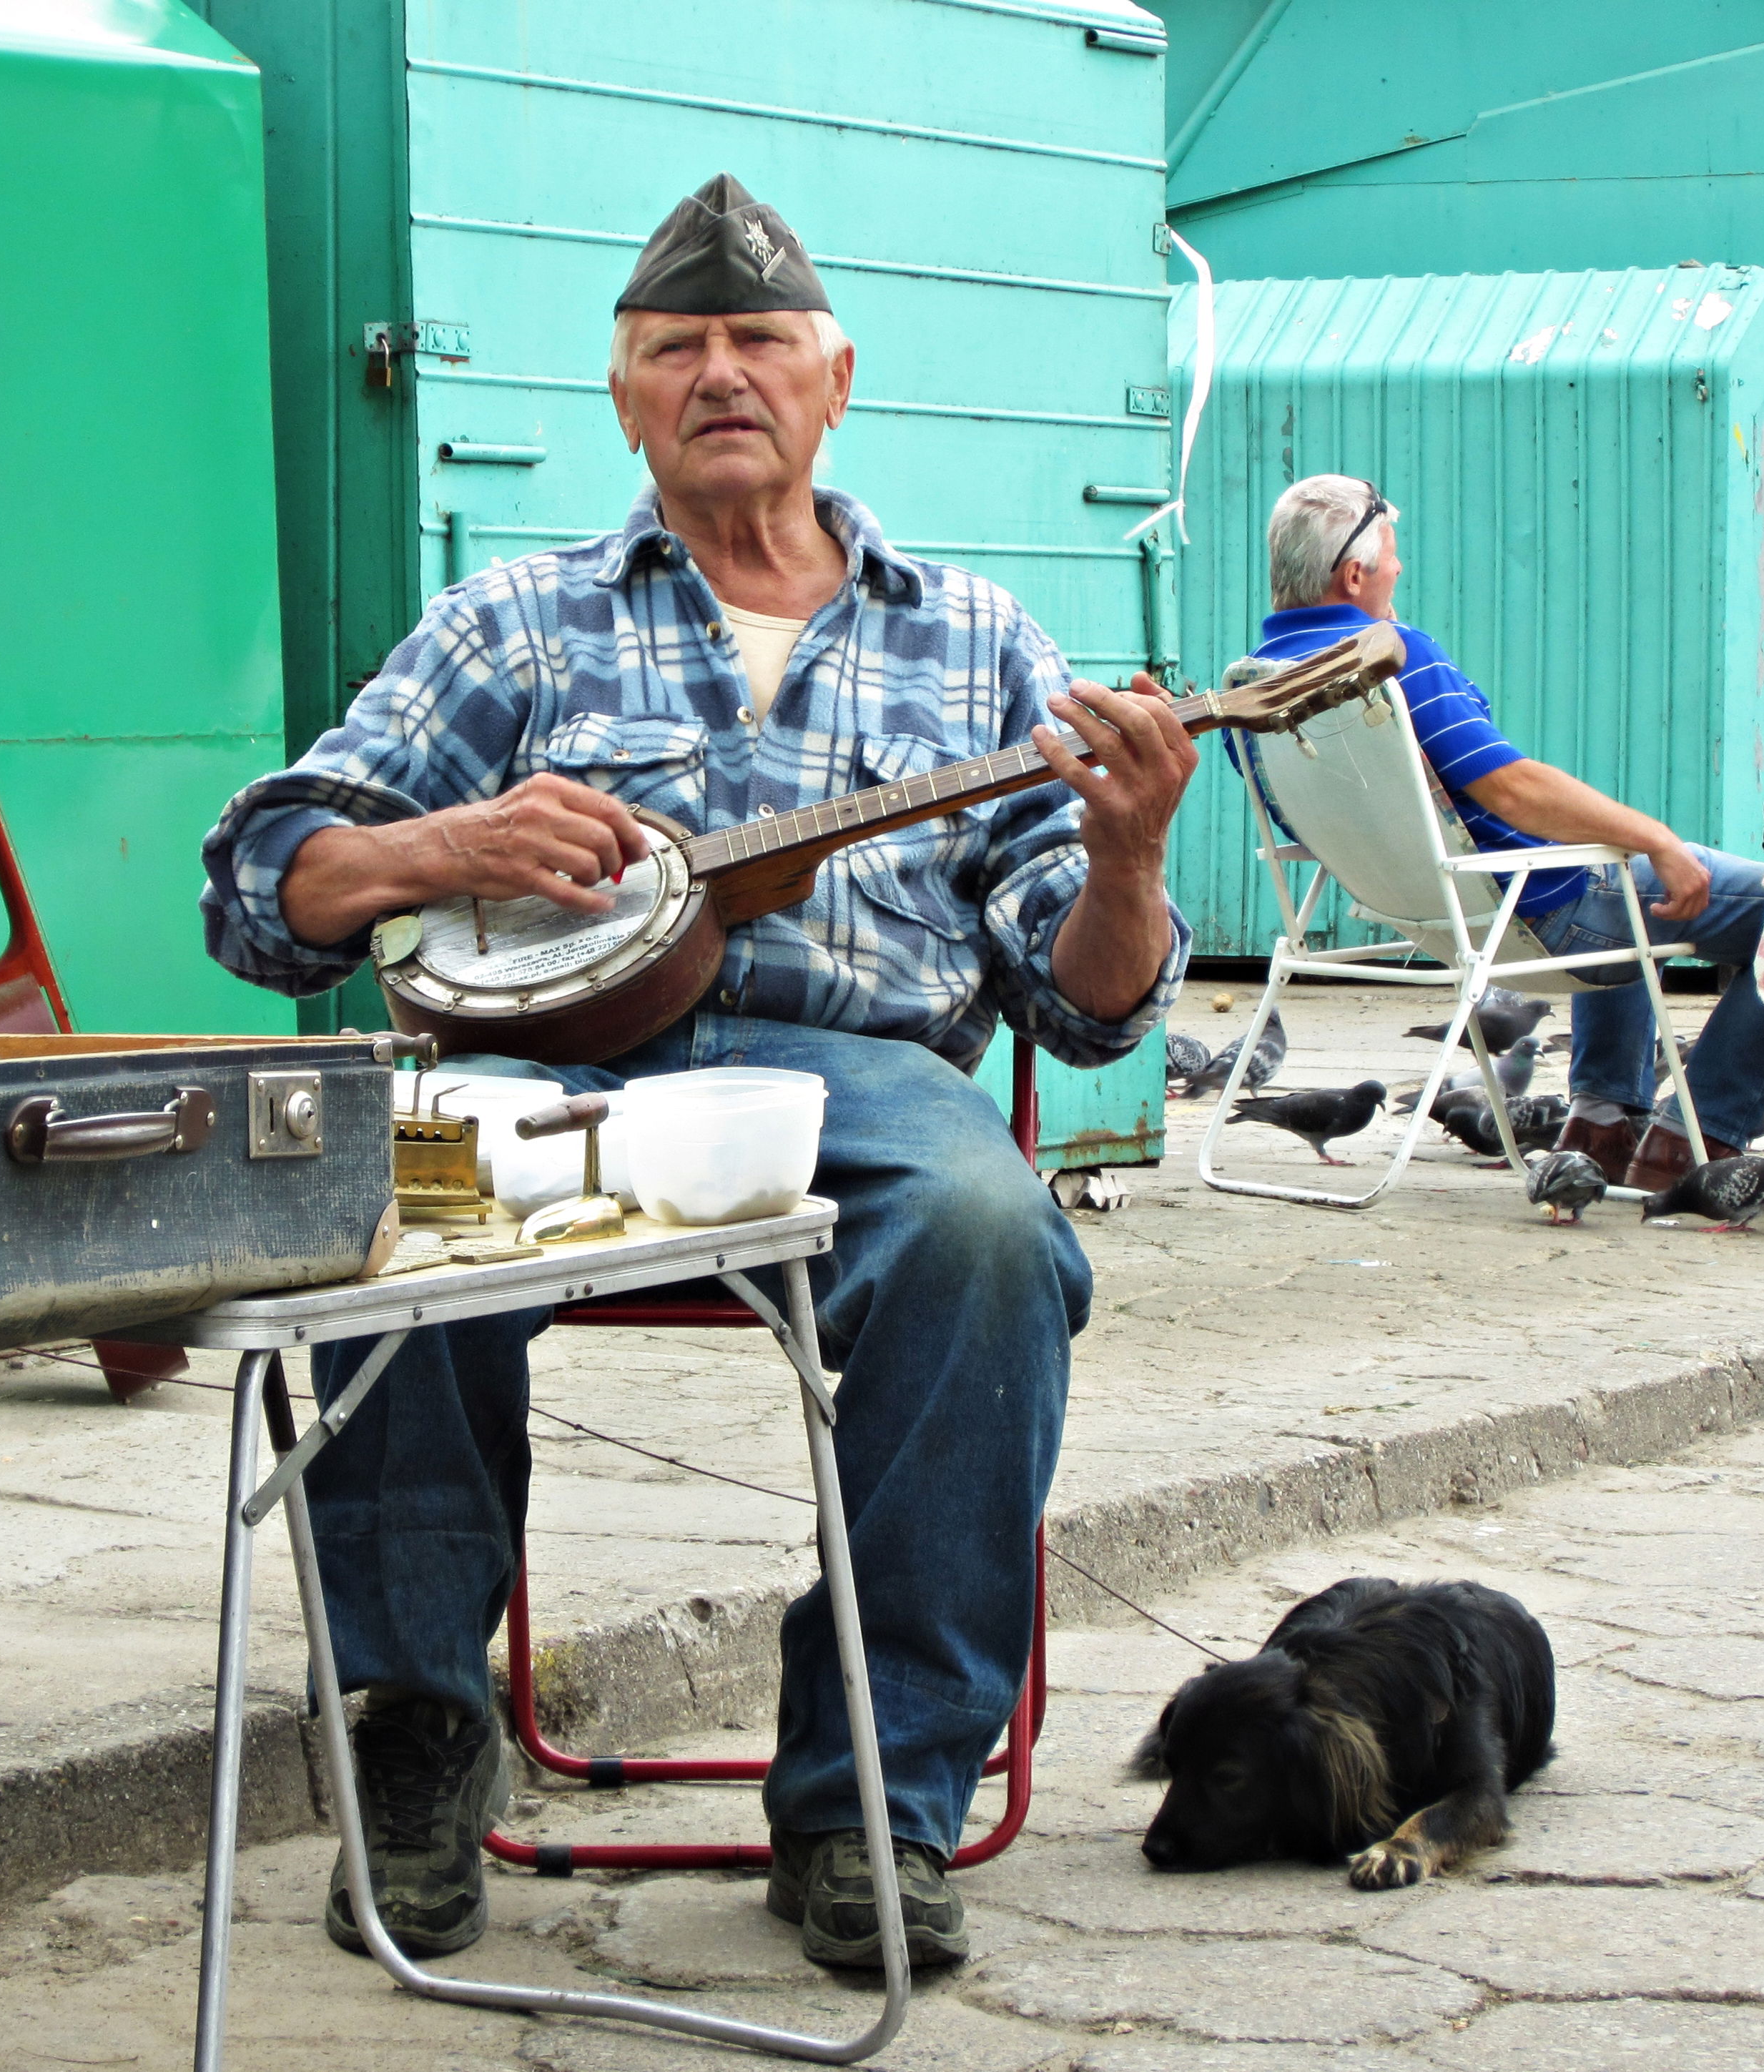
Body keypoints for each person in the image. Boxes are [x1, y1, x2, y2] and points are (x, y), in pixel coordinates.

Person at [199, 174, 1195, 1972]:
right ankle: (414, 1735)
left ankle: (872, 1794)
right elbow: (267, 893)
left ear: (835, 382)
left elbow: (1090, 1008)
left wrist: (1123, 858)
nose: (720, 373)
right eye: (678, 348)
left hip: (861, 1083)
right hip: (554, 1073)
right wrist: (448, 849)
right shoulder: (516, 623)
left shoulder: (978, 643)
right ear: (624, 398)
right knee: (394, 1210)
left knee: (987, 1233)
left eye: (758, 344)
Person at [1238, 475, 1764, 1188]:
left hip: (1435, 913)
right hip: (1538, 914)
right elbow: (1511, 789)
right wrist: (1658, 839)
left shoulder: (1257, 681)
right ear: (1355, 574)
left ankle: (1603, 1122)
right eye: (1392, 556)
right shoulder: (1388, 657)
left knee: (1615, 869)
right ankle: (1702, 1134)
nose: (1399, 569)